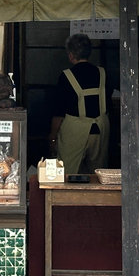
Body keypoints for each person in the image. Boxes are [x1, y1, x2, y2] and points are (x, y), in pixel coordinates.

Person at [48, 34, 110, 175]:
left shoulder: (66, 76)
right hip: (100, 129)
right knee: (98, 174)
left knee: (68, 172)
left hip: (74, 130)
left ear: (70, 54)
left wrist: (52, 137)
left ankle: (68, 197)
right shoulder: (102, 73)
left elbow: (59, 111)